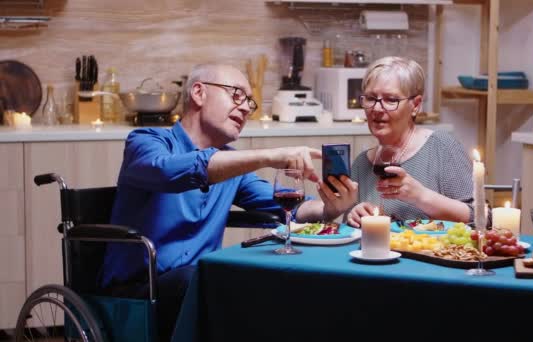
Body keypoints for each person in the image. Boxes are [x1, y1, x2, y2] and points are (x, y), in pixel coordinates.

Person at [100, 63, 357, 341]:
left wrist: (328, 208)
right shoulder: (146, 141)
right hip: (140, 291)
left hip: (200, 284)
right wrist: (270, 155)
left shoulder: (230, 167)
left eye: (250, 102)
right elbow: (167, 170)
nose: (246, 108)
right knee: (204, 279)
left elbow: (286, 206)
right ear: (198, 93)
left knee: (255, 278)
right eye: (237, 95)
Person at [345, 56, 473, 228]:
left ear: (416, 105)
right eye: (370, 98)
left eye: (391, 100)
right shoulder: (362, 164)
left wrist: (420, 196)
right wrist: (355, 215)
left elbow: (479, 216)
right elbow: (347, 230)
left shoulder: (441, 147)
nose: (376, 108)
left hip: (431, 253)